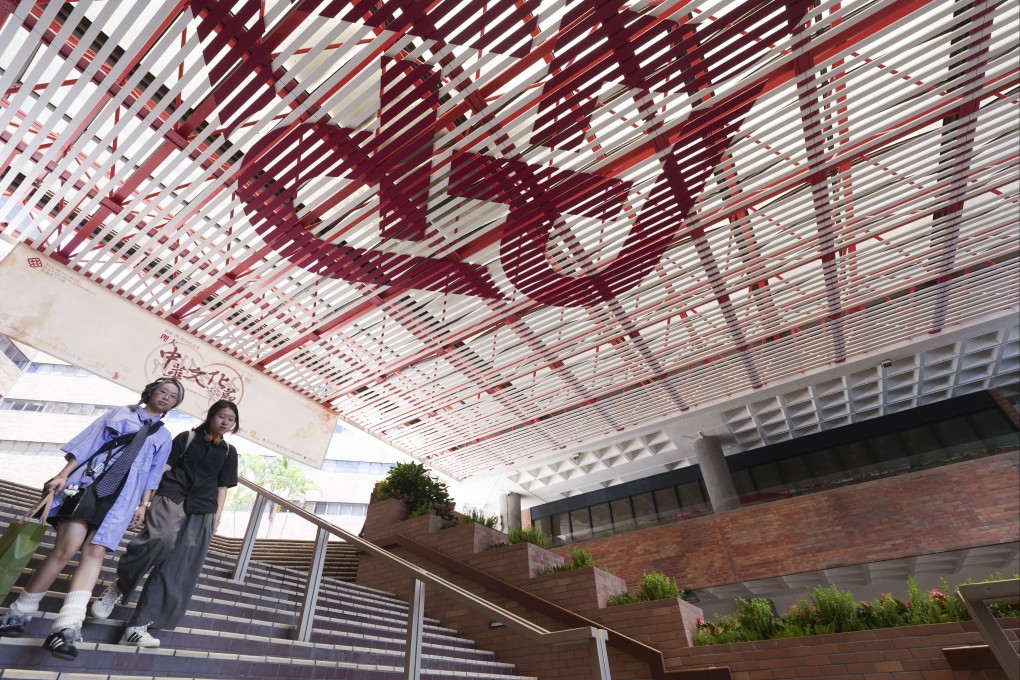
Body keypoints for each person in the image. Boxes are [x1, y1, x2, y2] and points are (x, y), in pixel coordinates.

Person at [0, 377, 184, 660]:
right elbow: (89, 444)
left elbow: (154, 474)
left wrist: (144, 506)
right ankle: (19, 613)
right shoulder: (119, 414)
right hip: (89, 485)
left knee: (95, 551)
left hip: (124, 498)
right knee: (66, 549)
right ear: (150, 392)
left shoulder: (163, 436)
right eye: (163, 392)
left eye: (173, 397)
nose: (166, 398)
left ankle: (66, 628)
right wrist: (62, 475)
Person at [90, 399, 239, 648]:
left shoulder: (228, 452)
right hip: (172, 493)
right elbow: (162, 468)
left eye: (231, 419)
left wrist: (217, 517)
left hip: (203, 508)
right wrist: (145, 502)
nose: (225, 422)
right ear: (211, 416)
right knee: (160, 538)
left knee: (179, 567)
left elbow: (222, 487)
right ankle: (121, 585)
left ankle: (138, 626)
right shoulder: (186, 437)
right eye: (222, 416)